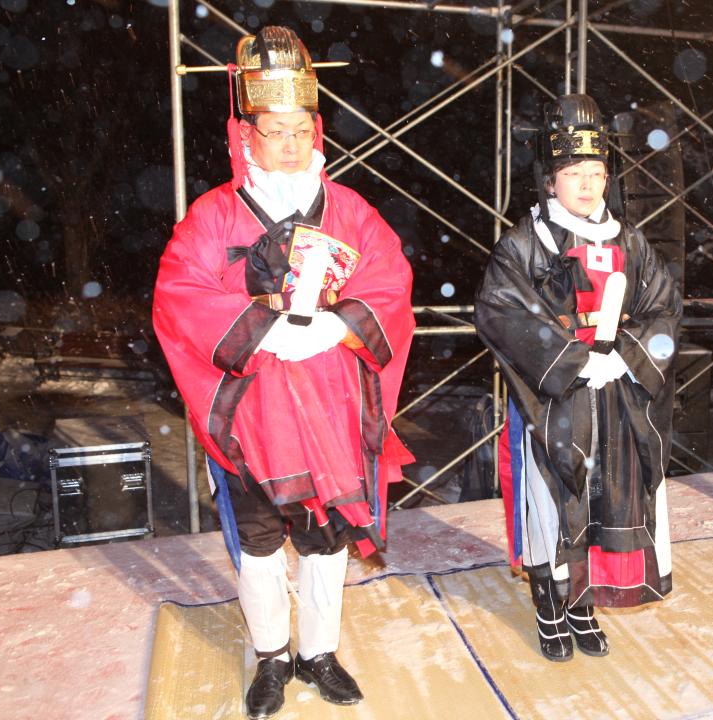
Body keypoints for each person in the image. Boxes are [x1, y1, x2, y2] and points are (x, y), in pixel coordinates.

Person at [153, 27, 414, 720]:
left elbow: (389, 279)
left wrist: (337, 324)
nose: (292, 146)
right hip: (253, 408)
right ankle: (271, 655)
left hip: (330, 402)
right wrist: (261, 329)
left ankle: (320, 652)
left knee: (327, 538)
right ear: (247, 136)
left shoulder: (350, 209)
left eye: (302, 130)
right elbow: (178, 297)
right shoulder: (213, 217)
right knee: (262, 543)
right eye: (275, 132)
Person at [475, 94, 681, 662]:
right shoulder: (525, 244)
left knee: (604, 500)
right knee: (552, 501)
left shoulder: (630, 241)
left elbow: (664, 306)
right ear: (550, 180)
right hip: (554, 397)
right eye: (573, 174)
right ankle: (549, 602)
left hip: (616, 394)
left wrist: (628, 355)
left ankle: (583, 602)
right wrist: (572, 360)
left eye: (596, 173)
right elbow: (501, 312)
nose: (587, 186)